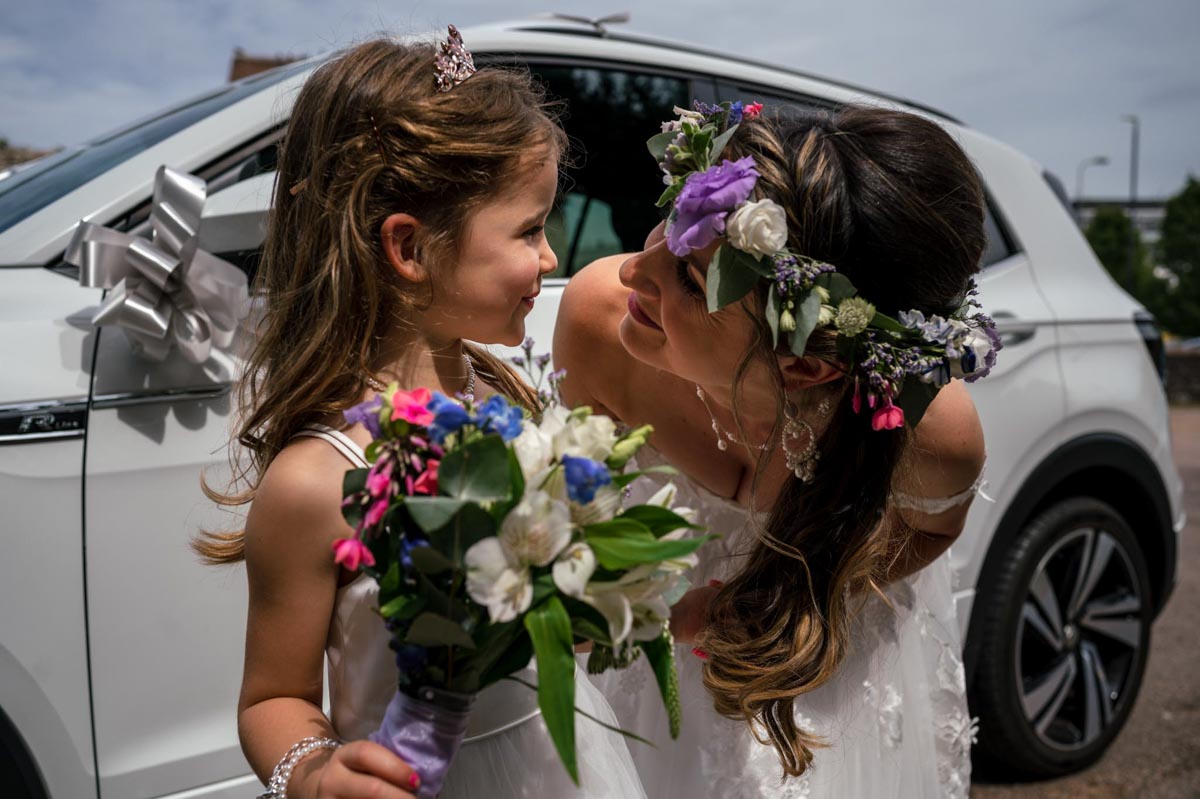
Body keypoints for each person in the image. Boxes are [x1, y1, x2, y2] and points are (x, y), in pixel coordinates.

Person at [196, 33, 645, 799]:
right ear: (410, 247)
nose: (547, 258)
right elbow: (275, 698)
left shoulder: (510, 395)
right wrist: (309, 773)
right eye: (530, 229)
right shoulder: (315, 480)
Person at [555, 102, 994, 798]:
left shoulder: (933, 437)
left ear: (806, 369)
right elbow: (576, 534)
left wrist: (798, 592)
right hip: (648, 691)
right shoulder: (600, 324)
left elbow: (932, 527)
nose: (635, 272)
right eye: (672, 222)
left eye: (692, 283)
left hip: (826, 685)